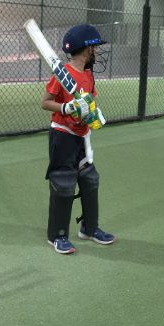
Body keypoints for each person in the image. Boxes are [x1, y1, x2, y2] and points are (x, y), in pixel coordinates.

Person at [40, 24, 115, 254]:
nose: (97, 51)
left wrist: (93, 113)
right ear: (86, 49)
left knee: (90, 180)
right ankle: (57, 235)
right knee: (63, 183)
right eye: (95, 47)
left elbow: (89, 99)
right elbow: (45, 102)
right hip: (63, 136)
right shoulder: (63, 74)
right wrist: (66, 107)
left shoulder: (88, 75)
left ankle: (89, 228)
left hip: (83, 137)